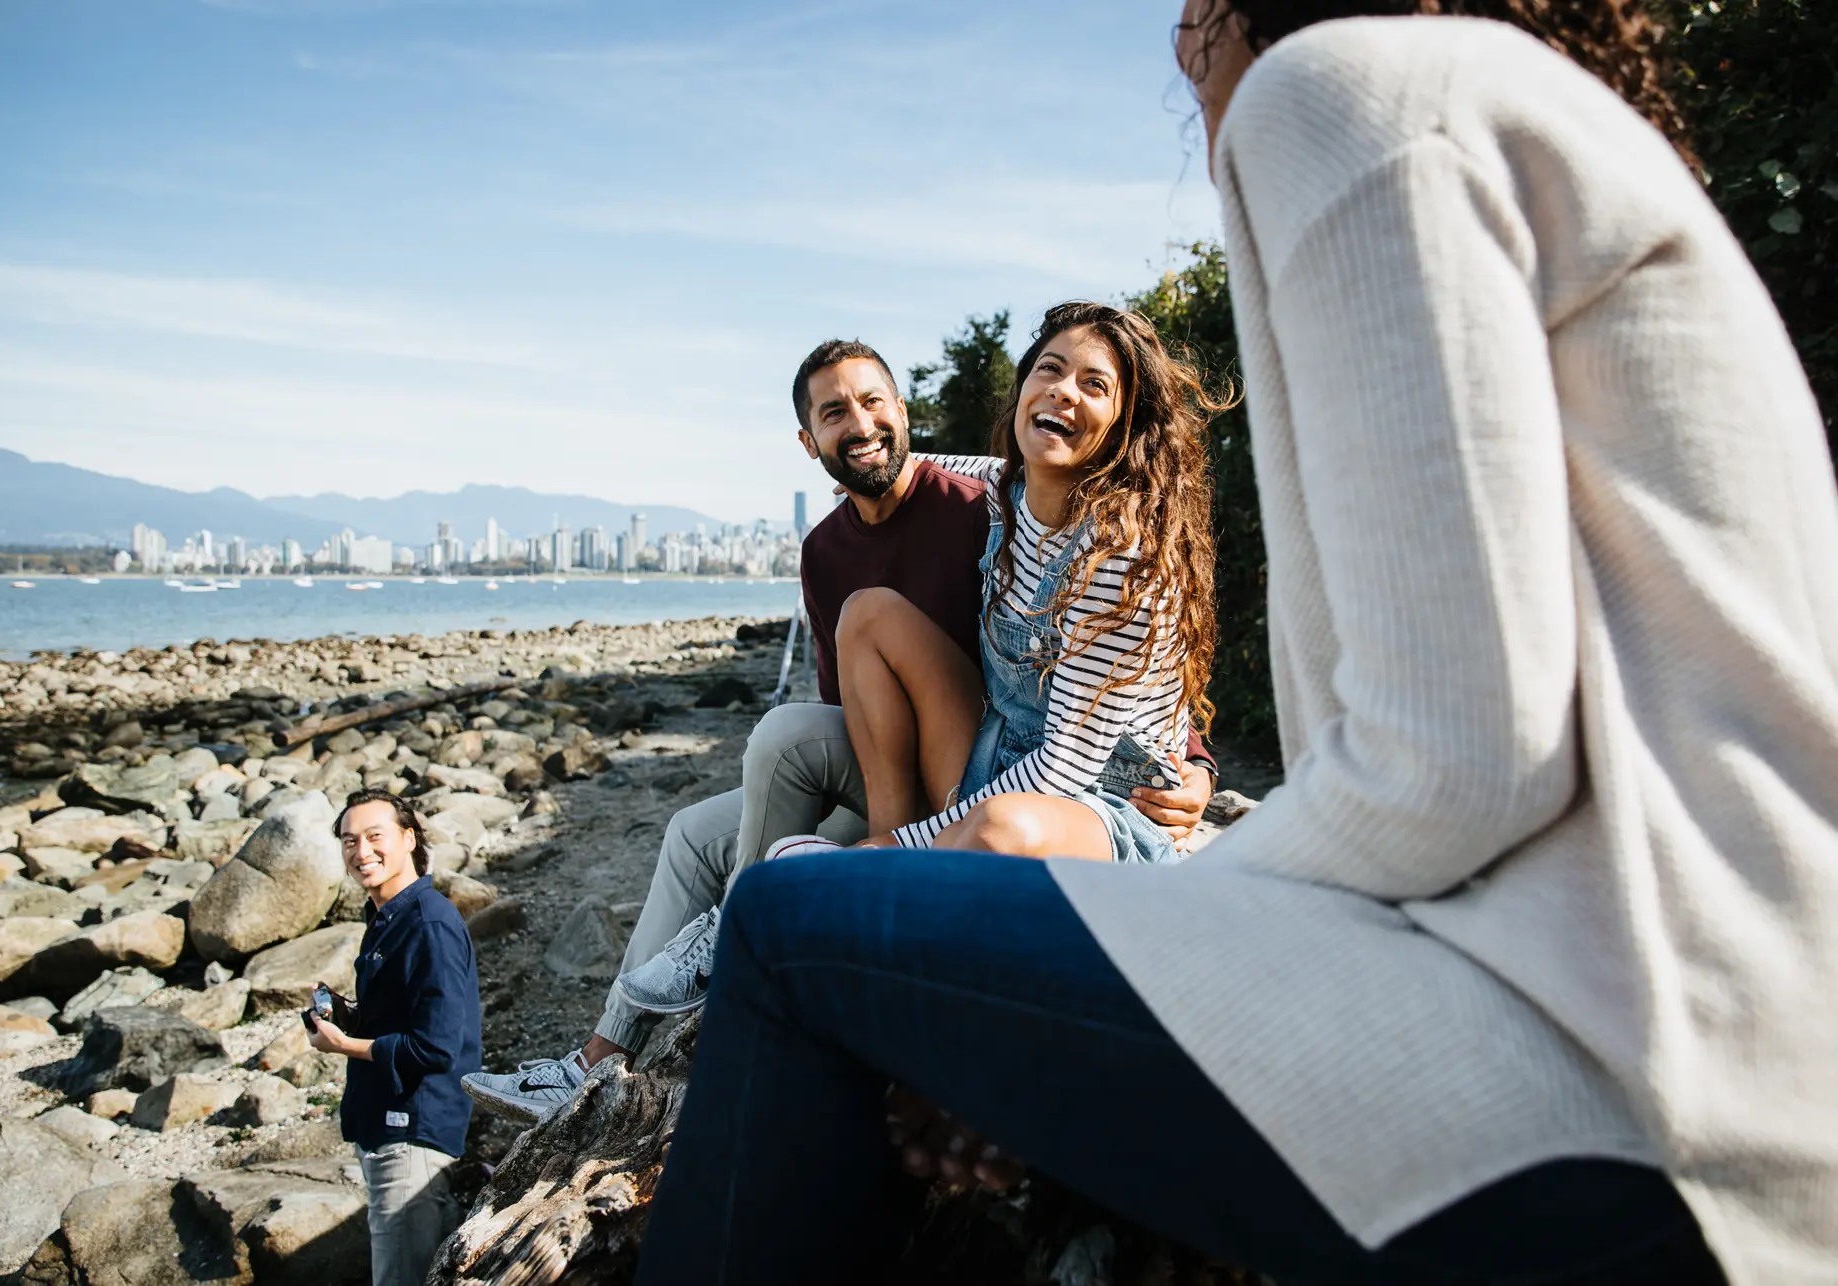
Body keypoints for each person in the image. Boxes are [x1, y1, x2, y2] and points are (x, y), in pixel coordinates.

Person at [633, 3, 1838, 1284]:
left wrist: (1175, 888)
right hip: (1701, 1031)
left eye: (1196, 11)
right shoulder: (1519, 116)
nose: (1177, 47)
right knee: (874, 939)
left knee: (778, 914)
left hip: (1611, 1074)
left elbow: (1463, 762)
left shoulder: (1343, 93)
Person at [458, 339, 1219, 1123]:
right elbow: (849, 704)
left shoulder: (981, 503)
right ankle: (594, 1061)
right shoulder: (849, 541)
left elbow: (1132, 683)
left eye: (873, 404)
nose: (859, 426)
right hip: (954, 754)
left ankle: (759, 955)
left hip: (1039, 782)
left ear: (903, 412)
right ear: (808, 442)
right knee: (699, 825)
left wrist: (1195, 763)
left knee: (792, 760)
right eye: (834, 414)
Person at [809, 301, 1220, 867]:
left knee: (999, 827)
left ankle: (887, 869)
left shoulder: (1120, 558)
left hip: (1101, 803)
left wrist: (906, 843)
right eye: (1049, 369)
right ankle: (887, 861)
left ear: (1124, 425)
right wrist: (869, 464)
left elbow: (1062, 772)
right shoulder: (1010, 492)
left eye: (1094, 384)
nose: (1063, 390)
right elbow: (955, 465)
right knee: (869, 613)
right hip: (998, 754)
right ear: (1024, 386)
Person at [308, 787, 481, 1286]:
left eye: (374, 837)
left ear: (408, 838)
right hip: (389, 1126)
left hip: (412, 1132)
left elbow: (436, 1047)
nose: (361, 852)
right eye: (348, 841)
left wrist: (344, 1046)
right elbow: (405, 1019)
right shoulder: (387, 917)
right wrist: (351, 1018)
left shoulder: (428, 923)